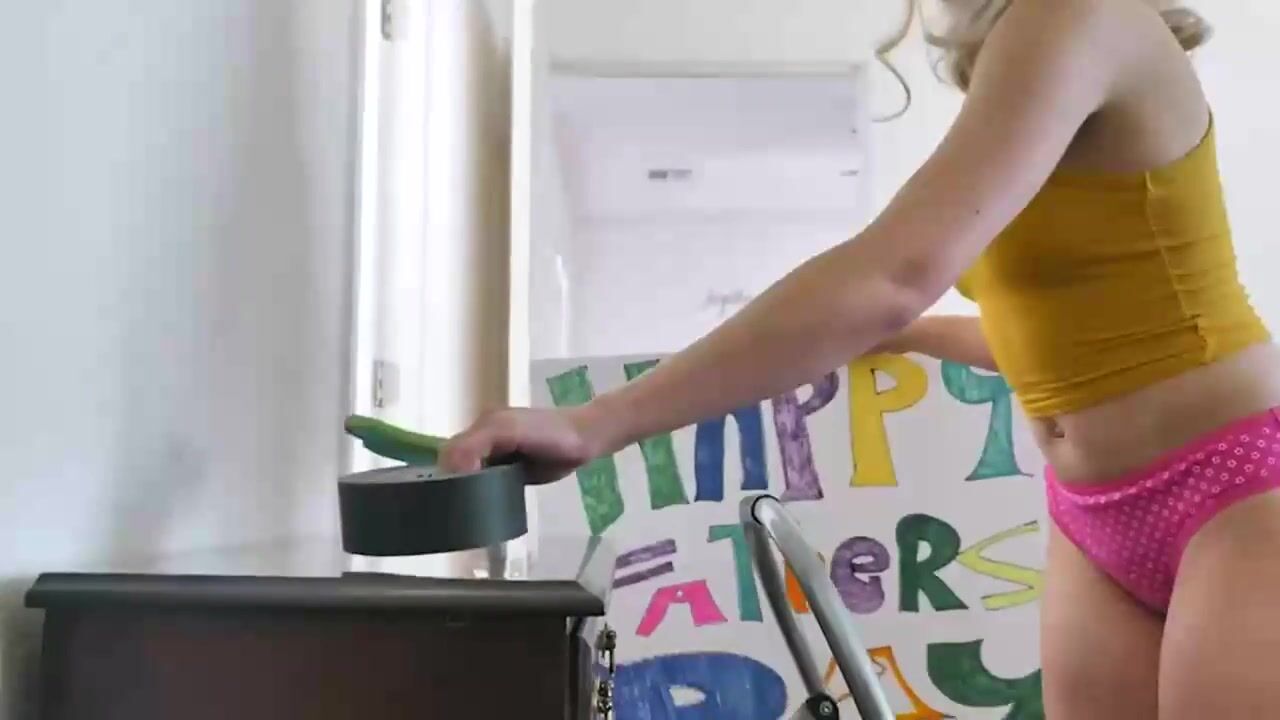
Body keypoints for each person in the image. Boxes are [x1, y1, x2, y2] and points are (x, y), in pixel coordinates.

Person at [442, 1, 1280, 716]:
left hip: (1232, 488)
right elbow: (1082, 338)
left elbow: (891, 277)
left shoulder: (1076, 14)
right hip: (1093, 513)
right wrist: (906, 334)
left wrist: (598, 423)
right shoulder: (1029, 48)